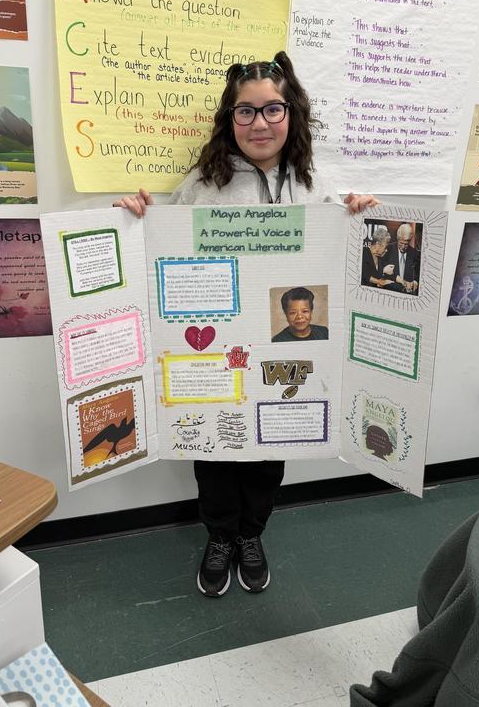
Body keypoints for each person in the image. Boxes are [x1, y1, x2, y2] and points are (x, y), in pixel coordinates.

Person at [114, 51, 378, 598]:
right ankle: (219, 537)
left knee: (267, 450)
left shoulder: (313, 185)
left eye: (272, 109)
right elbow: (166, 258)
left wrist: (358, 215)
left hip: (285, 347)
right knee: (212, 447)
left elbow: (337, 257)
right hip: (216, 347)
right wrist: (134, 220)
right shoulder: (202, 185)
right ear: (229, 119)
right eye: (246, 112)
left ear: (292, 114)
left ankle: (251, 535)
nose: (259, 123)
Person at [381, 223, 420, 294]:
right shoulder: (387, 250)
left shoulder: (415, 253)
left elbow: (418, 275)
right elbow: (381, 271)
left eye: (406, 244)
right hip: (389, 292)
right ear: (397, 239)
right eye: (401, 243)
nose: (403, 247)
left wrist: (415, 282)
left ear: (410, 241)